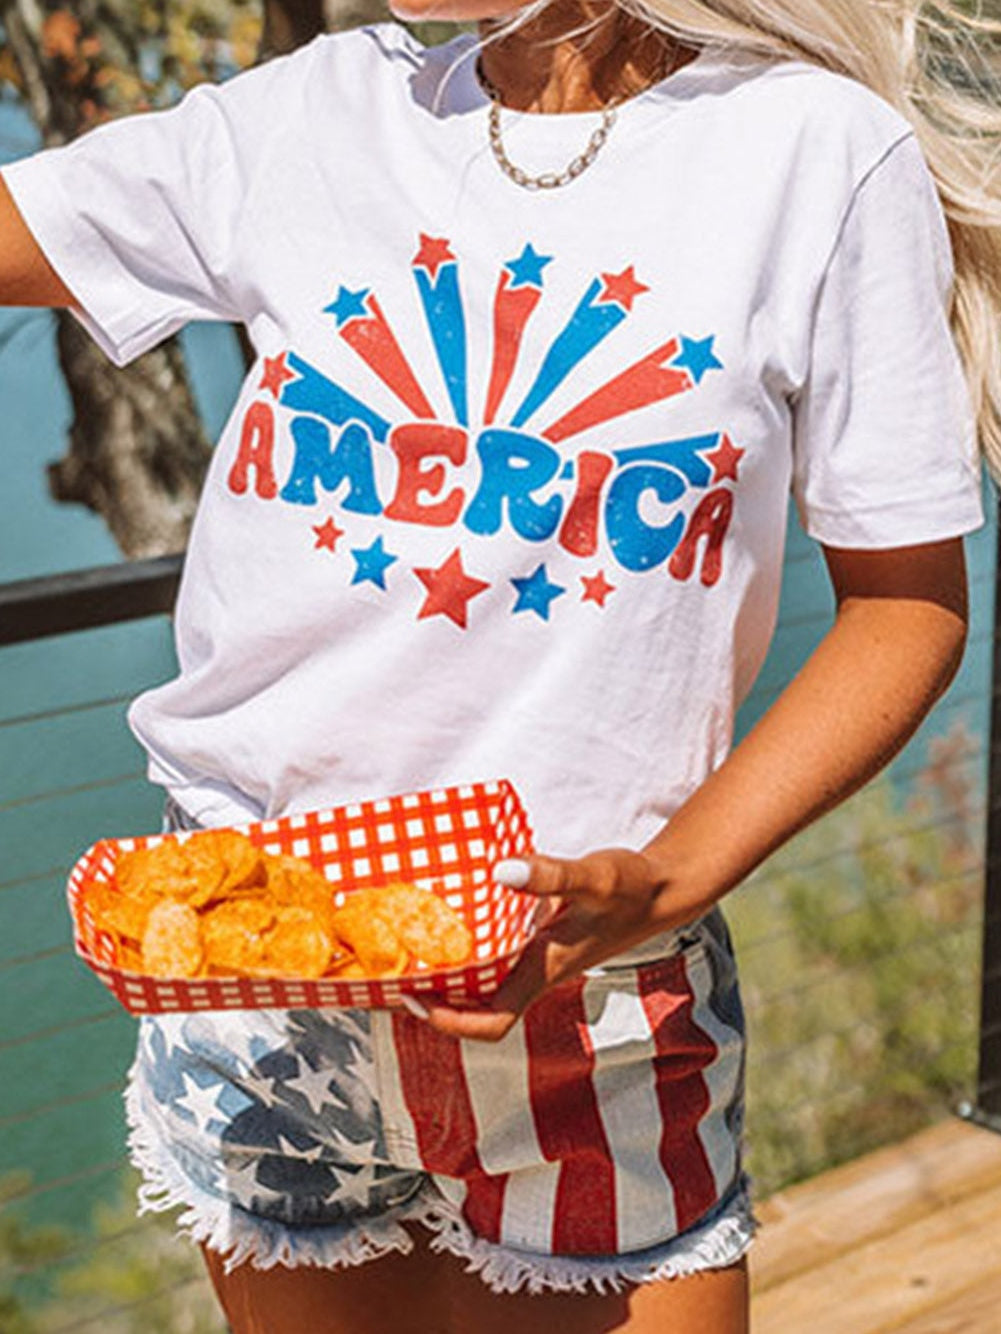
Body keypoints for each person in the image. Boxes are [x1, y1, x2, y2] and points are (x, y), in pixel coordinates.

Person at [2, 0, 999, 1329]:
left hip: (594, 989)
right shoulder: (314, 111)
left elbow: (905, 605)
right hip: (254, 967)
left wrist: (671, 878)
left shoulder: (814, 154)